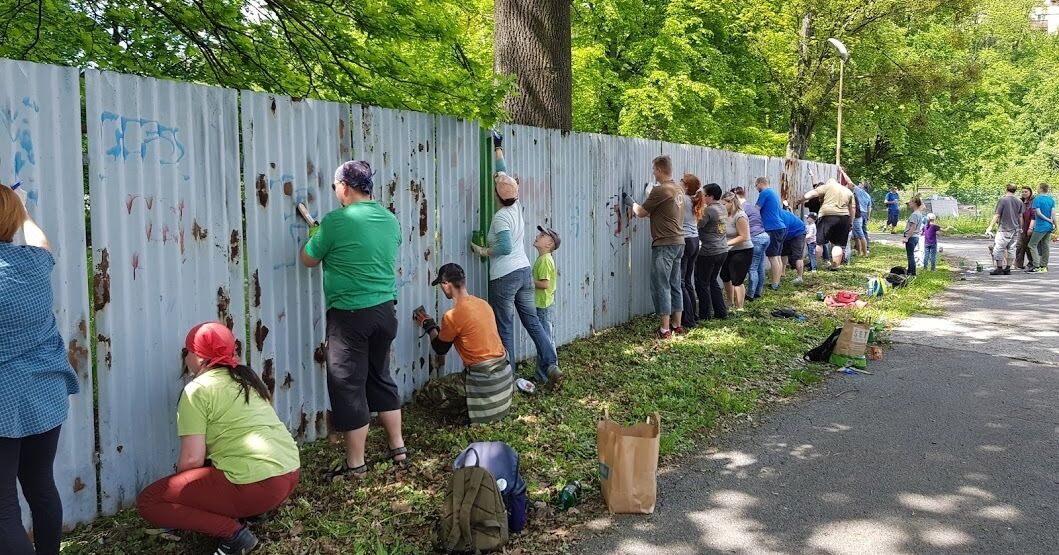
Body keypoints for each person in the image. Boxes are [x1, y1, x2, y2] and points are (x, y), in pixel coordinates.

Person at [137, 323, 300, 555]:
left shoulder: (197, 390)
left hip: (256, 486)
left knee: (150, 501)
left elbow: (192, 461)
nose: (185, 357)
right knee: (216, 470)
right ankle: (250, 512)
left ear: (200, 357)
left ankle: (234, 536)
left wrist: (184, 499)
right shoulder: (246, 380)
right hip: (289, 473)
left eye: (187, 351)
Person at [301, 160, 408, 479]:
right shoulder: (390, 219)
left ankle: (355, 465)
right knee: (380, 376)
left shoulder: (334, 222)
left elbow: (308, 259)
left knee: (349, 385)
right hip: (385, 311)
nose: (335, 193)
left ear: (344, 187)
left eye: (335, 187)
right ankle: (398, 448)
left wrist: (315, 234)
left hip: (350, 317)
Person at [0, 183, 79, 555]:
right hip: (44, 392)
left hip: (3, 399)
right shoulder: (32, 263)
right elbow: (39, 239)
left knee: (3, 509)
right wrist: (23, 210)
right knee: (41, 486)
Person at [471, 132, 561, 385]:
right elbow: (504, 173)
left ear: (496, 195)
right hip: (523, 273)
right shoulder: (516, 204)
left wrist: (483, 252)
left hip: (505, 276)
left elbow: (506, 246)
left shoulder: (500, 218)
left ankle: (508, 377)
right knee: (532, 323)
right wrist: (498, 147)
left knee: (505, 327)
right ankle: (551, 364)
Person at [414, 264, 514, 424]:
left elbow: (440, 348)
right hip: (503, 378)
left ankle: (467, 412)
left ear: (446, 285)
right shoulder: (483, 304)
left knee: (428, 391)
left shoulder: (452, 316)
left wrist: (429, 326)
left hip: (484, 381)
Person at [630, 155, 686, 338]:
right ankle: (678, 325)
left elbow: (640, 212)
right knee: (675, 283)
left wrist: (631, 202)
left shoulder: (661, 190)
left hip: (664, 243)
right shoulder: (678, 189)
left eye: (654, 169)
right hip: (679, 242)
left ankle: (665, 329)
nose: (653, 173)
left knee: (661, 285)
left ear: (660, 170)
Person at [797, 178, 854, 270]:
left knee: (819, 242)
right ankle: (835, 266)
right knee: (838, 244)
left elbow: (809, 194)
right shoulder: (848, 191)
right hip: (844, 218)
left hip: (827, 216)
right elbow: (852, 209)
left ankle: (813, 265)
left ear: (829, 183)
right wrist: (851, 222)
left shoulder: (826, 187)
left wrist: (799, 201)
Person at [695, 183, 728, 321]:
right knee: (713, 280)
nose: (702, 197)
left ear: (710, 196)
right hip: (722, 250)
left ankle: (705, 314)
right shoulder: (722, 208)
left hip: (709, 251)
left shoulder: (709, 211)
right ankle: (720, 311)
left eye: (704, 195)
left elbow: (697, 224)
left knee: (701, 282)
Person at [732, 187, 769, 301]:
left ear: (735, 196)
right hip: (764, 236)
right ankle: (758, 291)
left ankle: (751, 294)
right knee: (760, 266)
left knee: (752, 268)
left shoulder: (742, 209)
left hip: (755, 238)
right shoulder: (750, 206)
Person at [720, 192, 754, 310]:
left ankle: (740, 307)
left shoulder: (740, 215)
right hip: (728, 250)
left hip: (742, 250)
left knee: (737, 279)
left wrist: (725, 243)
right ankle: (730, 302)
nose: (722, 206)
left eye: (724, 204)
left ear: (730, 202)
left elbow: (743, 236)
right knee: (725, 275)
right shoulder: (725, 216)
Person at [680, 174, 705, 328]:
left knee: (681, 282)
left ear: (687, 186)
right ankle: (693, 316)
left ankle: (687, 319)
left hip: (686, 240)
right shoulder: (693, 200)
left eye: (682, 181)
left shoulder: (683, 199)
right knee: (688, 281)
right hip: (695, 240)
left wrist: (651, 191)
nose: (679, 182)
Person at [754, 177, 786, 291]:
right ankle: (776, 282)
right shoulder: (773, 192)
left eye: (756, 185)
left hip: (772, 228)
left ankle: (775, 284)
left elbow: (756, 209)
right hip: (780, 227)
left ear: (761, 183)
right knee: (776, 256)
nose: (756, 188)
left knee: (773, 257)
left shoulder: (765, 192)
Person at [984, 183, 1024, 276]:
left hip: (1004, 228)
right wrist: (1021, 227)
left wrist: (990, 227)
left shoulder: (1003, 200)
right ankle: (1008, 268)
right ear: (1015, 190)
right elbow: (1020, 216)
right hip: (1015, 228)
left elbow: (997, 214)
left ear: (1006, 189)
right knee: (1012, 248)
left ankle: (999, 268)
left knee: (999, 248)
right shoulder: (1019, 201)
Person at [532, 226, 561, 342]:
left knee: (545, 339)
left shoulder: (545, 260)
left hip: (543, 306)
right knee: (544, 338)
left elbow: (545, 285)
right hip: (543, 304)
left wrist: (527, 282)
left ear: (549, 245)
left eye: (542, 236)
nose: (537, 236)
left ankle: (550, 360)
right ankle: (546, 360)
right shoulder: (543, 258)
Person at [1027, 182, 1054, 272]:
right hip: (1049, 226)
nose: (1037, 189)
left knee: (1032, 244)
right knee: (1045, 245)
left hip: (1041, 226)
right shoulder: (1051, 200)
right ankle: (1044, 266)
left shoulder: (1037, 200)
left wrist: (1047, 220)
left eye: (1038, 187)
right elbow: (1053, 214)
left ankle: (1036, 265)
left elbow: (1038, 213)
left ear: (1041, 189)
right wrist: (1054, 223)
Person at [779, 209, 806, 284]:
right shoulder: (775, 213)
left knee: (797, 256)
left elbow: (784, 228)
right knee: (783, 253)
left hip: (798, 231)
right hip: (788, 233)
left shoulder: (781, 216)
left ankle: (800, 277)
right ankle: (782, 273)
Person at [902, 198, 926, 276]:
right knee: (911, 255)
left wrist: (907, 238)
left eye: (910, 202)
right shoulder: (919, 213)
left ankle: (912, 273)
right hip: (915, 237)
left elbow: (912, 227)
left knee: (910, 256)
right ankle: (910, 271)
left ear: (915, 203)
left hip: (912, 237)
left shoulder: (915, 214)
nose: (909, 204)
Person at [1015, 186, 1034, 269]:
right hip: (1020, 227)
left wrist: (1031, 228)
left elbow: (1034, 216)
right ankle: (1019, 264)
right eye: (1023, 192)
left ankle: (1032, 263)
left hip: (1029, 226)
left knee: (1028, 246)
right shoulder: (1020, 202)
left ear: (1030, 192)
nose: (1024, 193)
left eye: (1026, 191)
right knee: (1019, 245)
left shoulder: (1033, 202)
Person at [852, 180, 873, 256]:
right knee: (864, 231)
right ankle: (866, 248)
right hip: (865, 214)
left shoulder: (859, 191)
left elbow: (850, 183)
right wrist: (868, 217)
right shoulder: (868, 195)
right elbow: (869, 207)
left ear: (863, 186)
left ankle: (860, 250)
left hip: (858, 213)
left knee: (858, 232)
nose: (858, 184)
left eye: (860, 184)